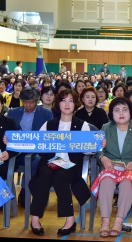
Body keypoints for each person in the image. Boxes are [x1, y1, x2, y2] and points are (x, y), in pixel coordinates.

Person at [28, 89, 91, 236]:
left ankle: (70, 220)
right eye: (63, 100)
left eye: (71, 100)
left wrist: (97, 144)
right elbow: (37, 144)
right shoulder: (49, 124)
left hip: (71, 164)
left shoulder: (83, 126)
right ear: (58, 104)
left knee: (60, 178)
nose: (67, 104)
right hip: (51, 162)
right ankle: (35, 218)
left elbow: (89, 150)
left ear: (76, 104)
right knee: (44, 175)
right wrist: (11, 141)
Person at [96, 97, 132, 237]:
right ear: (111, 114)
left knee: (127, 183)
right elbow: (97, 148)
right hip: (110, 167)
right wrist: (102, 157)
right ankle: (105, 222)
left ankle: (119, 221)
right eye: (117, 110)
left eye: (125, 110)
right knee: (106, 182)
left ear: (130, 112)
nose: (121, 113)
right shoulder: (105, 128)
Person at [7, 86, 53, 207]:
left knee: (35, 161)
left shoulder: (46, 114)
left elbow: (48, 135)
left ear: (37, 101)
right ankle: (5, 199)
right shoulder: (13, 112)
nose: (28, 105)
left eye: (31, 102)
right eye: (25, 102)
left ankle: (24, 190)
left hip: (36, 150)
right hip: (16, 150)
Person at [0, 94, 17, 181]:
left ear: (2, 106)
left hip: (4, 160)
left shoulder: (9, 122)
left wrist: (9, 152)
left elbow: (17, 143)